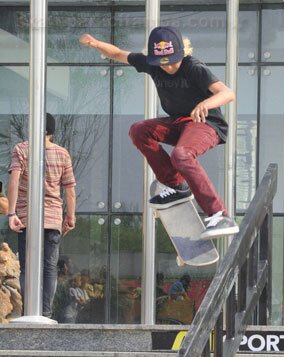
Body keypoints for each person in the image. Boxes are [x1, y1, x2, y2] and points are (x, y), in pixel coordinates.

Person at [80, 26, 239, 240]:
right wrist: (97, 44)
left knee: (181, 155)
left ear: (183, 52)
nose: (169, 67)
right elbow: (118, 54)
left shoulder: (194, 67)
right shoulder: (151, 64)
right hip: (179, 123)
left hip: (206, 123)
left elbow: (227, 93)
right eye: (163, 63)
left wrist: (206, 104)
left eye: (173, 61)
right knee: (139, 130)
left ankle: (220, 215)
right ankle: (175, 186)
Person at [7, 113, 76, 319]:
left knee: (27, 266)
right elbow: (70, 189)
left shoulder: (21, 149)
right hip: (53, 217)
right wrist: (70, 217)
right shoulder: (62, 153)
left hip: (26, 217)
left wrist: (11, 212)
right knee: (50, 268)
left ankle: (29, 311)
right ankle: (45, 313)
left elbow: (14, 181)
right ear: (52, 132)